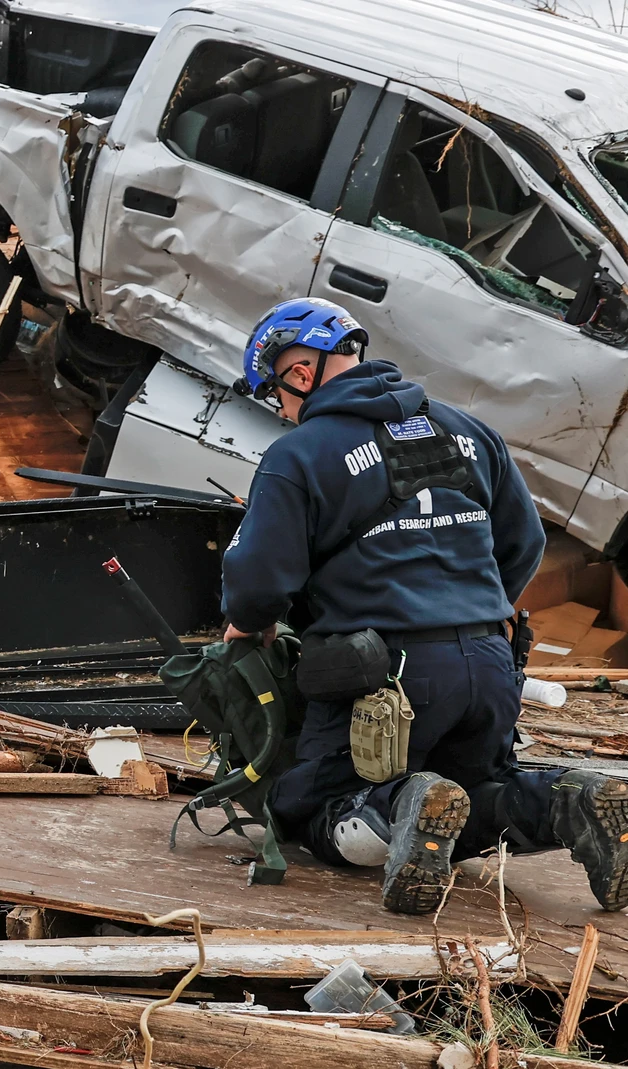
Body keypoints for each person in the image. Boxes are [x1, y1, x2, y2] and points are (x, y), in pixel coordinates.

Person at [220, 296, 628, 914]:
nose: (282, 411)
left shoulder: (299, 456)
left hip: (384, 675)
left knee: (311, 807)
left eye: (276, 395)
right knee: (475, 791)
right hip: (493, 664)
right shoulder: (465, 430)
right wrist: (468, 611)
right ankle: (567, 800)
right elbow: (525, 544)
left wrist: (247, 627)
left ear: (298, 374)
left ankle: (398, 803)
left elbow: (256, 582)